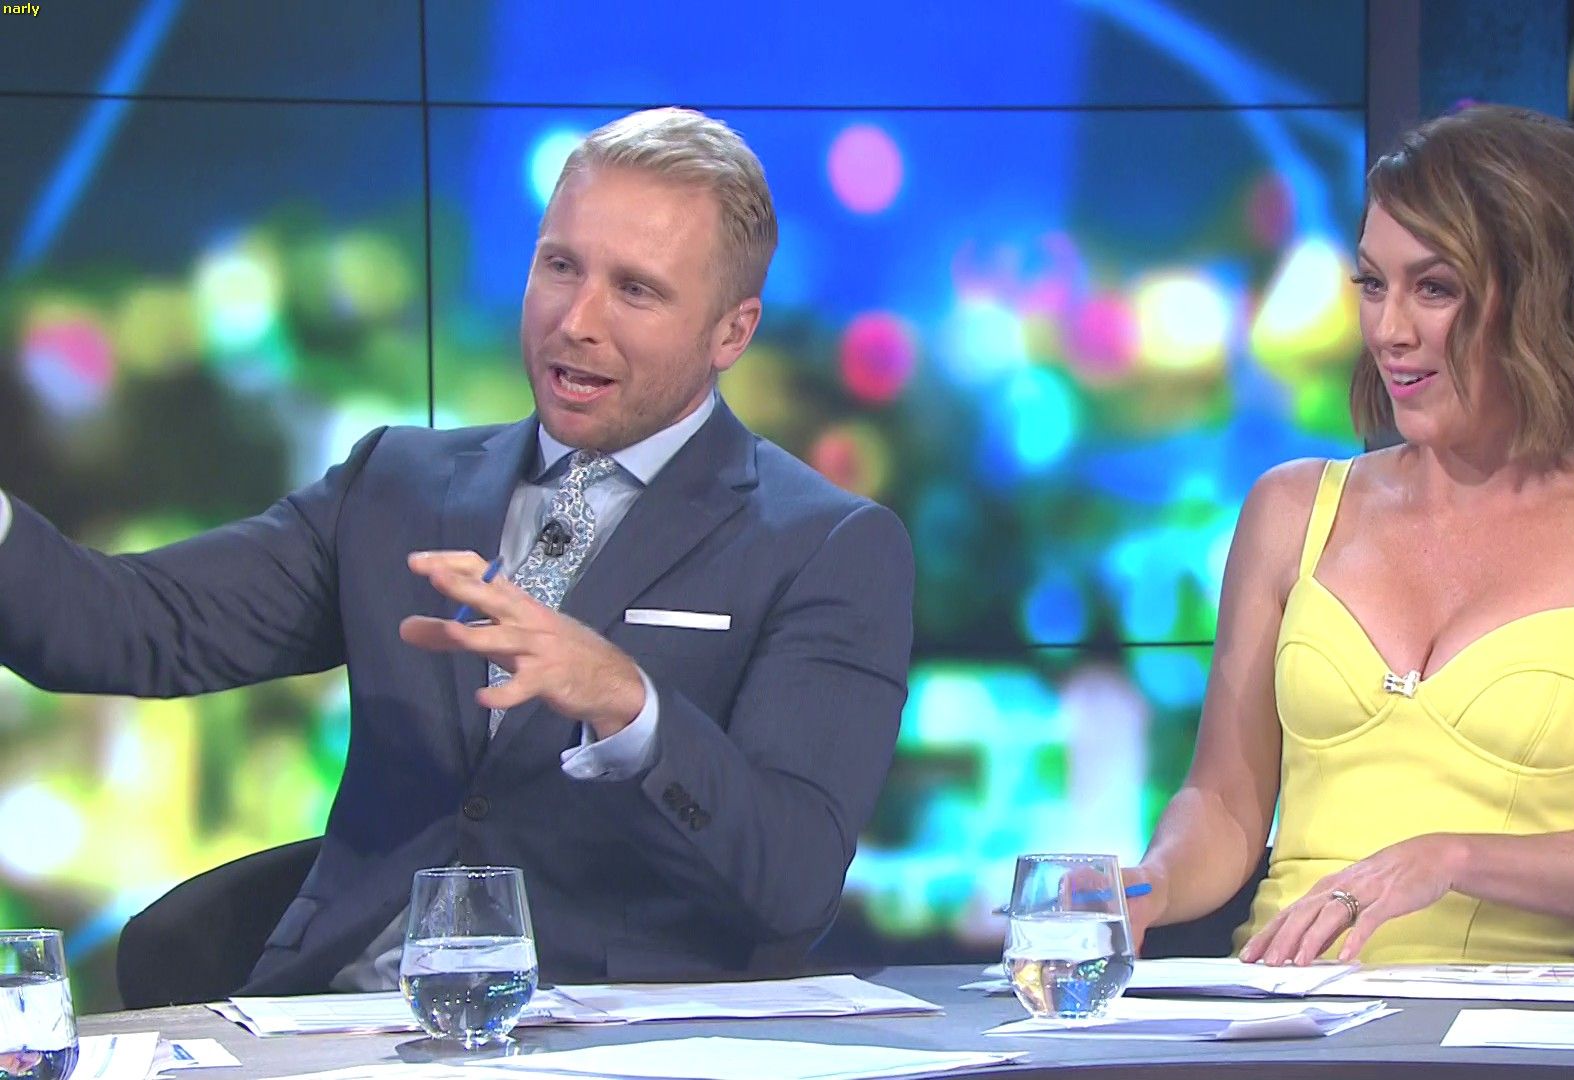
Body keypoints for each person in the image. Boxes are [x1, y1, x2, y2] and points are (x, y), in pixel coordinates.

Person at [0, 108, 915, 992]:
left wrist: (625, 703)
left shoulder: (824, 546)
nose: (577, 319)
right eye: (560, 266)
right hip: (341, 1025)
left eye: (635, 290)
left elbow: (793, 880)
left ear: (732, 331)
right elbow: (128, 624)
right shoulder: (396, 486)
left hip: (615, 1042)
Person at [1124, 105, 1574, 966]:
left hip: (1513, 1020)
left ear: (1544, 298)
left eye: (1434, 288)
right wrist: (1147, 886)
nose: (1390, 330)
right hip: (1283, 1009)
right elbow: (1226, 804)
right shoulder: (1290, 510)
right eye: (1372, 284)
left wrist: (1450, 859)